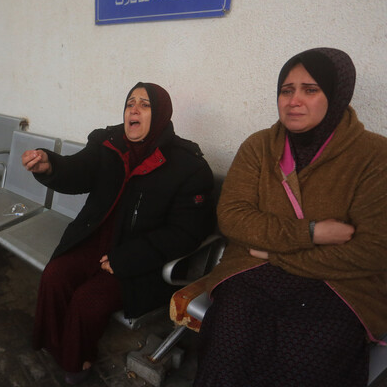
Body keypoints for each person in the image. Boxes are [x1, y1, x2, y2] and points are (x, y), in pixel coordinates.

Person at [194, 48, 387, 387]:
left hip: (339, 285)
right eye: (286, 90)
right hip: (251, 273)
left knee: (306, 359)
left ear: (337, 95)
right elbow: (234, 218)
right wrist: (311, 232)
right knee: (227, 348)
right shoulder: (259, 147)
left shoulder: (374, 156)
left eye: (310, 90)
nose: (293, 101)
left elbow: (372, 251)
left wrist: (275, 254)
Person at [22, 82, 215, 384]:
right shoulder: (108, 143)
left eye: (145, 105)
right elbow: (78, 171)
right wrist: (50, 166)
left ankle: (76, 364)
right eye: (130, 103)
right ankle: (55, 347)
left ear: (161, 115)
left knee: (87, 300)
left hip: (143, 261)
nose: (134, 110)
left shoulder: (188, 166)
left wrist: (126, 259)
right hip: (94, 241)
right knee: (54, 276)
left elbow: (185, 233)